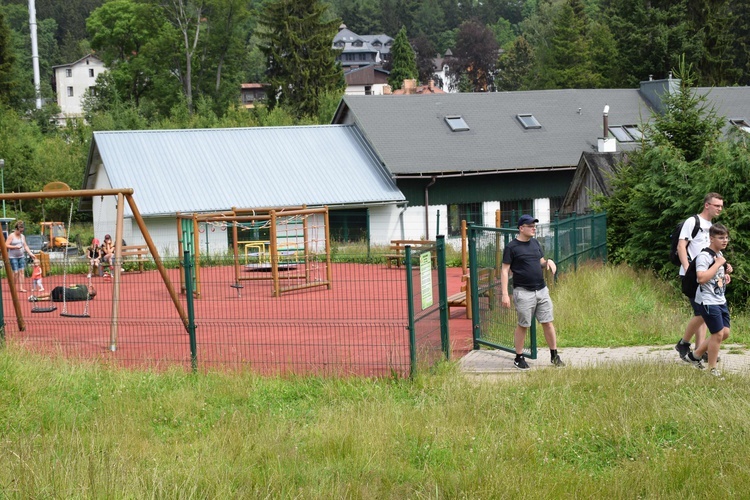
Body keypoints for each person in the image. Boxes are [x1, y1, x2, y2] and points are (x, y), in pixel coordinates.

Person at [500, 214, 565, 370]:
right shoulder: (511, 247)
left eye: (534, 226)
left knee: (547, 322)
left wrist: (548, 262)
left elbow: (540, 262)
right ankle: (519, 357)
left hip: (542, 290)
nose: (534, 228)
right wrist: (504, 294)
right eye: (530, 226)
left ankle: (554, 355)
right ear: (521, 228)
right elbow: (504, 270)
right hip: (523, 292)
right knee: (523, 325)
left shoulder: (535, 243)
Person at [674, 193, 729, 363]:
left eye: (721, 206)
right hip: (694, 275)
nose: (719, 208)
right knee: (702, 313)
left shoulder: (711, 226)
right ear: (707, 205)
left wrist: (722, 268)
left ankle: (698, 350)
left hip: (707, 275)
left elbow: (712, 252)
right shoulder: (693, 222)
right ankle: (686, 345)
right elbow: (681, 245)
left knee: (704, 313)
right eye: (716, 205)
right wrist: (687, 268)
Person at [685, 223, 731, 377]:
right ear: (711, 238)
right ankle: (712, 369)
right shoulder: (705, 255)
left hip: (720, 299)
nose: (725, 240)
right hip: (707, 301)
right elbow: (701, 278)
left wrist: (724, 276)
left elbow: (713, 277)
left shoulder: (718, 255)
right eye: (720, 237)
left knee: (725, 333)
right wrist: (718, 264)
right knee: (717, 334)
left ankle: (695, 355)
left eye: (726, 237)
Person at [5, 221, 35, 292]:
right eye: (20, 231)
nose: (21, 232)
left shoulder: (22, 236)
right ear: (16, 229)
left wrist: (30, 253)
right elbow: (6, 245)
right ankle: (13, 287)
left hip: (21, 256)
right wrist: (15, 247)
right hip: (13, 257)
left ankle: (21, 287)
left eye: (22, 231)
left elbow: (25, 246)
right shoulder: (11, 236)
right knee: (15, 272)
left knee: (21, 272)